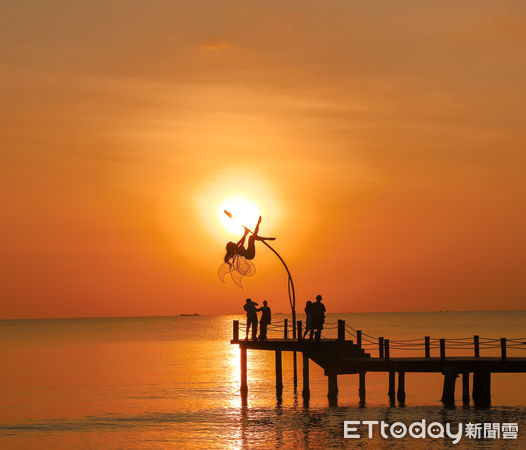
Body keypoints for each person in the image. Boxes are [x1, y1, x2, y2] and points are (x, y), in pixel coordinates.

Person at [218, 216, 275, 288]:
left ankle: (264, 233)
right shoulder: (237, 249)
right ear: (232, 246)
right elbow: (242, 241)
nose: (233, 242)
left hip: (249, 253)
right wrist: (246, 233)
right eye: (232, 243)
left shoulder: (236, 247)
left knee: (252, 237)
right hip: (250, 255)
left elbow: (242, 240)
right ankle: (265, 234)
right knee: (252, 238)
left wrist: (245, 232)